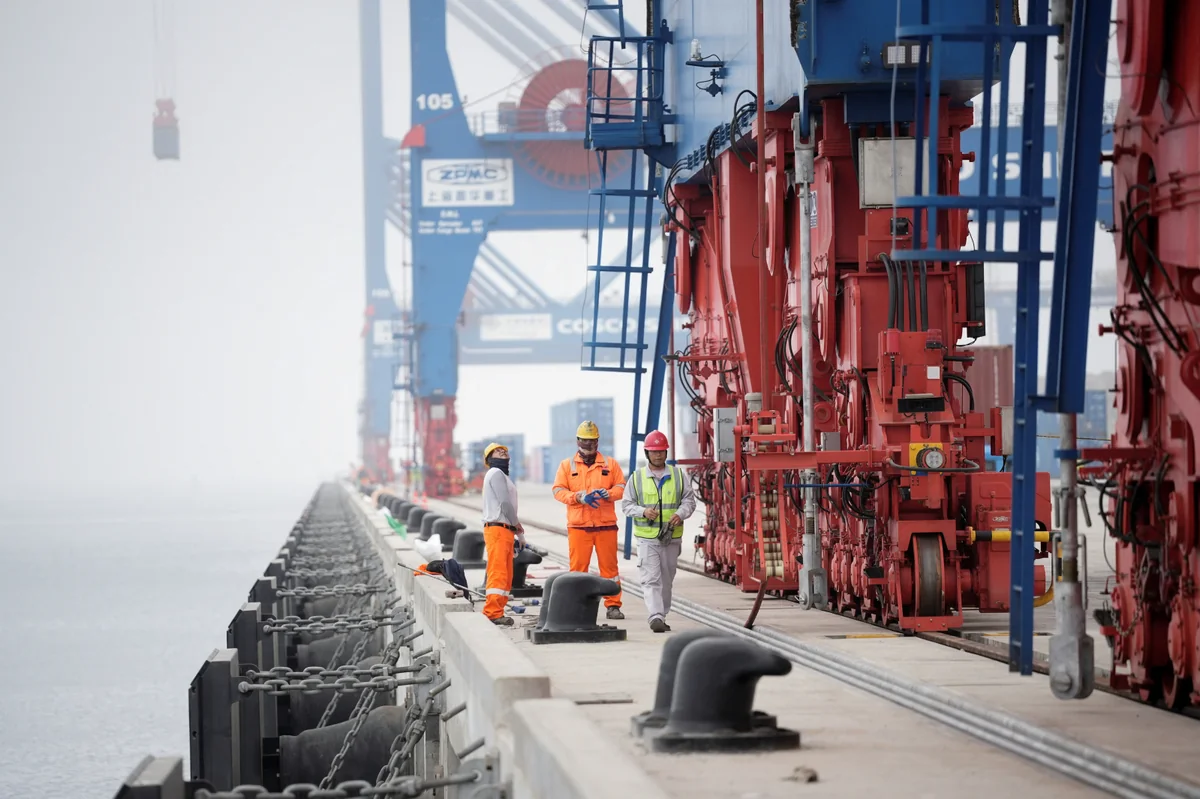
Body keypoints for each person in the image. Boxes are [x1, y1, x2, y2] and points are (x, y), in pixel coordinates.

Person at [619, 430, 695, 632]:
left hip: (671, 537)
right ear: (647, 453)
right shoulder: (637, 478)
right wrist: (643, 511)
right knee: (651, 578)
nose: (658, 455)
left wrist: (680, 513)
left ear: (666, 452)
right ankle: (656, 616)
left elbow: (689, 501)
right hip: (647, 539)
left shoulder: (678, 476)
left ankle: (662, 613)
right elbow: (626, 505)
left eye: (661, 451)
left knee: (667, 580)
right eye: (654, 451)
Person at [551, 420, 627, 619]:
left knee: (610, 570)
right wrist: (578, 497)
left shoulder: (610, 464)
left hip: (605, 526)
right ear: (578, 441)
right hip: (579, 527)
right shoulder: (567, 466)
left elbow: (621, 487)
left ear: (597, 441)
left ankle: (613, 605)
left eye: (592, 441)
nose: (589, 444)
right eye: (585, 440)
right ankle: (576, 606)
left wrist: (609, 494)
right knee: (578, 570)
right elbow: (558, 491)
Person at [480, 442, 526, 626]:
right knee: (498, 571)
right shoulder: (495, 473)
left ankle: (498, 610)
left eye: (504, 451)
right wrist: (517, 525)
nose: (502, 452)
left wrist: (516, 531)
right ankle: (492, 612)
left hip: (504, 529)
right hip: (498, 529)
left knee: (505, 572)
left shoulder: (502, 476)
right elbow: (505, 504)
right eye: (497, 451)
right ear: (489, 459)